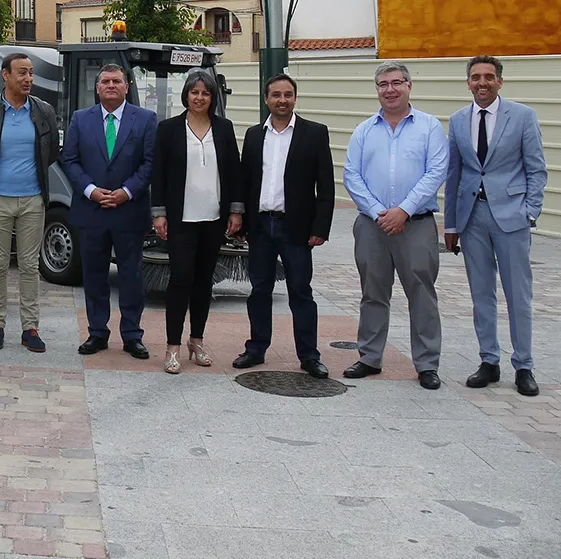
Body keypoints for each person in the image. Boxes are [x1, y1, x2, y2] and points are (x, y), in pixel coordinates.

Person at [444, 55, 546, 398]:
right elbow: (454, 174)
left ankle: (524, 365)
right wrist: (451, 224)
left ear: (500, 81)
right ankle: (489, 360)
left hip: (512, 216)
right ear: (468, 83)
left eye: (489, 76)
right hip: (473, 218)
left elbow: (536, 169)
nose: (482, 83)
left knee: (518, 294)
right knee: (481, 293)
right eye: (476, 77)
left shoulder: (523, 116)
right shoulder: (458, 120)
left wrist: (530, 212)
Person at [342, 62, 448, 389]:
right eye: (383, 84)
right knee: (373, 293)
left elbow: (436, 172)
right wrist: (379, 212)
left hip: (416, 225)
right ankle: (369, 357)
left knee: (422, 294)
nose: (390, 89)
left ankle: (427, 364)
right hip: (372, 226)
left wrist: (403, 210)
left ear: (409, 86)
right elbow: (351, 176)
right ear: (377, 90)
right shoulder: (364, 130)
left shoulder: (429, 127)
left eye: (397, 83)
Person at [232, 73, 335, 379]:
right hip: (261, 226)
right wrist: (242, 222)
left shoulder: (314, 133)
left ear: (295, 98)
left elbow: (325, 186)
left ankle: (309, 355)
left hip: (297, 228)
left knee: (300, 292)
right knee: (259, 290)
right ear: (266, 99)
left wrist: (321, 227)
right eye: (276, 95)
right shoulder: (254, 135)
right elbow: (245, 181)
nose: (282, 100)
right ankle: (256, 348)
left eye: (288, 95)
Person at [149, 69, 243, 374]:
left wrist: (236, 210)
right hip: (181, 219)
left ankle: (197, 341)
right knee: (180, 280)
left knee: (204, 282)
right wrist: (159, 212)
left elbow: (234, 172)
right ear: (186, 95)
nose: (199, 98)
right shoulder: (168, 129)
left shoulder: (224, 128)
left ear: (212, 97)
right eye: (194, 92)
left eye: (205, 93)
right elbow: (158, 174)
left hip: (214, 218)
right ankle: (172, 347)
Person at [61, 63, 156, 359]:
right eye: (105, 81)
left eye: (116, 81)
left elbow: (150, 162)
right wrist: (90, 190)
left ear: (127, 86)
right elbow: (69, 160)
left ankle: (132, 335)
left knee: (131, 276)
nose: (111, 85)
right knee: (94, 276)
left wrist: (127, 191)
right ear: (97, 87)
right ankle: (97, 333)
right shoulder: (80, 119)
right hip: (92, 210)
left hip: (129, 211)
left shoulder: (146, 119)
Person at [0, 53, 59, 353]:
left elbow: (52, 150)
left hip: (33, 199)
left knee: (30, 266)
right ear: (5, 75)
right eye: (22, 73)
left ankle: (30, 328)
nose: (28, 78)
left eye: (31, 73)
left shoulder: (43, 110)